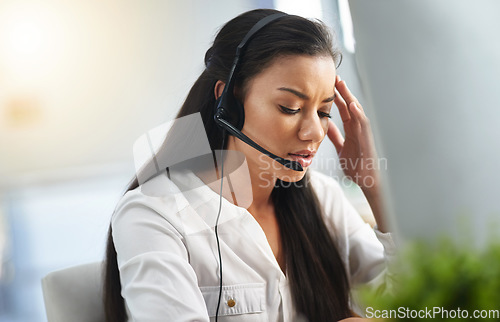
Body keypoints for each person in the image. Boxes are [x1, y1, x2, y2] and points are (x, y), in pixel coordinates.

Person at [104, 8, 395, 322]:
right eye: (290, 108)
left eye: (324, 112)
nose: (313, 132)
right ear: (227, 102)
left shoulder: (324, 198)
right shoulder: (153, 214)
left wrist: (375, 188)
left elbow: (409, 305)